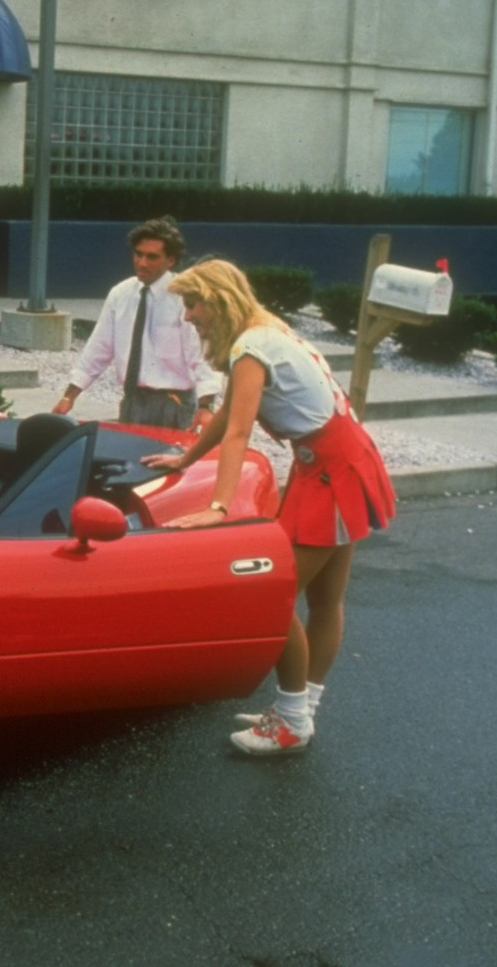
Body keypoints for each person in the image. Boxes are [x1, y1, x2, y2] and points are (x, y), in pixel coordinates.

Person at [139, 259, 396, 757]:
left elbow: (239, 429)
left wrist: (218, 505)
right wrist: (188, 455)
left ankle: (293, 719)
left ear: (217, 299)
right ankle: (299, 710)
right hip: (339, 461)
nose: (189, 316)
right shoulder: (266, 330)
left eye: (192, 304)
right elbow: (232, 416)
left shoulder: (249, 347)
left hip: (329, 471)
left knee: (270, 598)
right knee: (323, 599)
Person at [54, 216, 221, 429]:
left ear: (170, 260)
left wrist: (206, 406)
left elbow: (203, 356)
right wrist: (69, 397)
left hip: (174, 404)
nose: (142, 263)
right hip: (132, 402)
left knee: (168, 460)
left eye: (152, 257)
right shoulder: (120, 294)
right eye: (138, 254)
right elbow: (98, 349)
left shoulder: (185, 298)